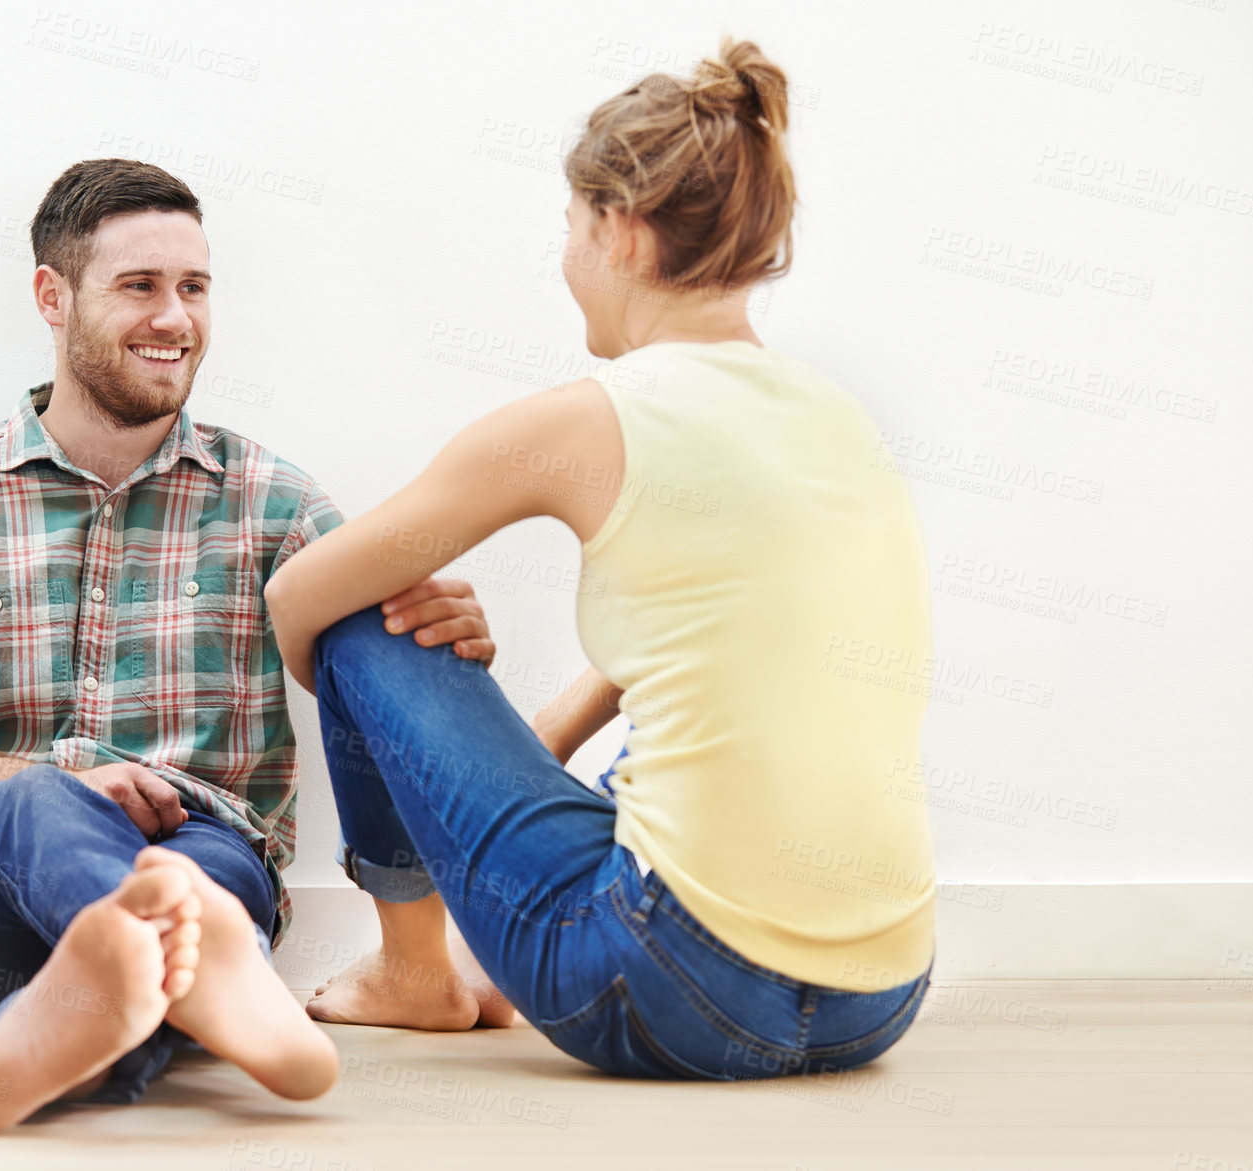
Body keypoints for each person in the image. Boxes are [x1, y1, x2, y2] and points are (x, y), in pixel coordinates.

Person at [263, 37, 937, 1079]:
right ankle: (506, 936)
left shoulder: (585, 423)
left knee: (365, 612)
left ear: (619, 230)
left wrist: (403, 705)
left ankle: (414, 972)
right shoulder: (836, 418)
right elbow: (719, 631)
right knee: (704, 721)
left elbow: (297, 598)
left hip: (671, 987)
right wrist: (519, 751)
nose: (567, 259)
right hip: (879, 996)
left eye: (571, 230)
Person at [0, 158, 500, 1131]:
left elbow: (384, 685)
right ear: (52, 297)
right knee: (66, 821)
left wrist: (449, 636)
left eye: (193, 287)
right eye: (139, 285)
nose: (174, 318)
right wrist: (50, 779)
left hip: (206, 846)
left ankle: (77, 1017)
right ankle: (199, 975)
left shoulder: (280, 506)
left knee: (173, 927)